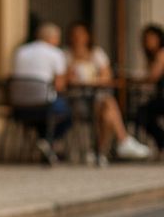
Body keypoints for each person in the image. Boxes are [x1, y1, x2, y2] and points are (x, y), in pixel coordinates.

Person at [64, 21, 150, 164]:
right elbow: (67, 80)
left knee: (107, 111)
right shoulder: (65, 55)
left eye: (81, 34)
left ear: (87, 36)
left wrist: (89, 80)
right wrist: (92, 80)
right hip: (76, 100)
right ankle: (119, 143)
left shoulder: (96, 53)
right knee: (108, 106)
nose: (78, 38)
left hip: (96, 98)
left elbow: (107, 76)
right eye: (75, 35)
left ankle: (100, 151)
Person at [11, 22, 73, 163]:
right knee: (68, 112)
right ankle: (47, 141)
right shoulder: (55, 53)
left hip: (18, 107)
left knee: (47, 110)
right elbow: (60, 86)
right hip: (45, 106)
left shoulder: (20, 51)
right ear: (52, 38)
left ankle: (45, 143)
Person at [135, 23, 164, 155]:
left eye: (151, 39)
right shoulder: (152, 56)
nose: (148, 42)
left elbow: (152, 77)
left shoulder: (161, 54)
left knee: (142, 113)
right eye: (146, 39)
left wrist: (134, 80)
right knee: (143, 113)